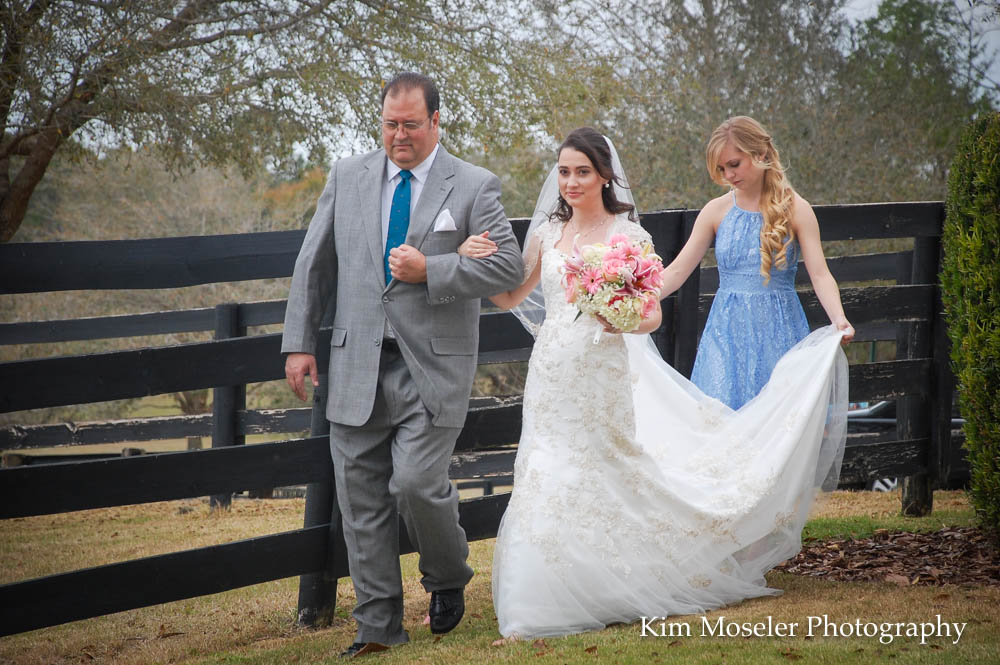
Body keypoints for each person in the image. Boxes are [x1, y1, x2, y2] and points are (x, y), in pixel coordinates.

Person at [458, 127, 849, 640]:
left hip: (602, 370)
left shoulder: (629, 238)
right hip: (551, 369)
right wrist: (473, 261)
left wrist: (619, 315)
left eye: (582, 171)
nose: (570, 181)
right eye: (564, 171)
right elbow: (510, 298)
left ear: (604, 176)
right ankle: (539, 596)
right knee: (544, 465)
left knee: (606, 464)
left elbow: (651, 314)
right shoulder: (546, 234)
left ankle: (622, 576)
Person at [281, 72, 523, 658]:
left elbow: (507, 269)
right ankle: (378, 628)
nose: (399, 135)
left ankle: (447, 575)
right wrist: (299, 343)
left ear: (436, 122)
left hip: (432, 368)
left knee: (415, 483)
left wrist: (432, 269)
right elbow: (314, 264)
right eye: (390, 124)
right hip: (354, 364)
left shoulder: (474, 185)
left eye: (411, 124)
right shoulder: (347, 176)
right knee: (360, 500)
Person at [660, 116, 855, 408]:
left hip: (779, 330)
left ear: (761, 154)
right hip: (726, 334)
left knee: (778, 415)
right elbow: (677, 271)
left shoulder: (797, 210)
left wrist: (839, 318)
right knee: (721, 415)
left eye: (734, 164)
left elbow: (820, 274)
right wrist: (635, 301)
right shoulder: (715, 211)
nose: (729, 175)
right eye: (722, 169)